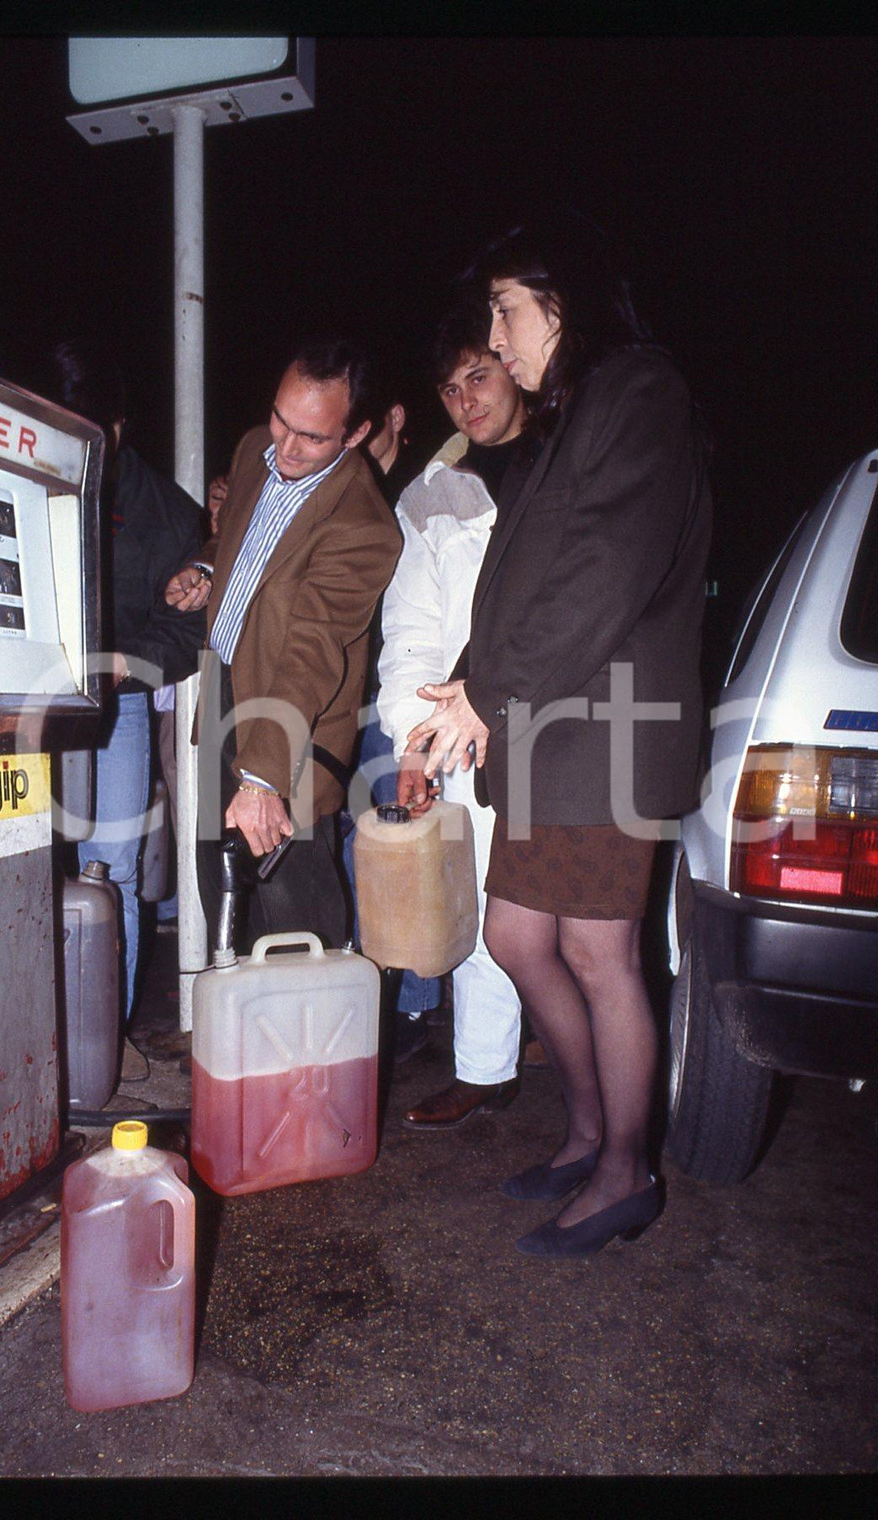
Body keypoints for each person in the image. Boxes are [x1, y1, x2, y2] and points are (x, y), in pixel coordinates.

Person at [405, 213, 712, 1257]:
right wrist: (470, 684)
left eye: (507, 308)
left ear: (561, 302)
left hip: (609, 728)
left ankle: (627, 1170)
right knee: (516, 936)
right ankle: (586, 1134)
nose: (494, 336)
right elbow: (519, 583)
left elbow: (604, 572)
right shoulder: (563, 419)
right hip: (550, 725)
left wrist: (492, 693)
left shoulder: (640, 392)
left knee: (595, 949)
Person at [165, 336, 402, 953]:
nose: (287, 446)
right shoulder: (253, 450)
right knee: (219, 897)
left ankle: (317, 1050)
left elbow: (312, 652)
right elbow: (237, 544)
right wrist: (208, 571)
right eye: (281, 419)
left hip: (291, 725)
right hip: (222, 691)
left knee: (293, 920)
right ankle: (240, 1042)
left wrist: (264, 780)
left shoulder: (365, 525)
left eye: (312, 437)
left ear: (354, 435)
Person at [377, 304, 527, 1122]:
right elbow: (411, 630)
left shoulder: (565, 461)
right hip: (461, 722)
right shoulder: (432, 493)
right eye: (450, 387)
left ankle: (594, 1080)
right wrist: (414, 739)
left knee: (574, 922)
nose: (467, 399)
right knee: (472, 892)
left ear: (513, 363)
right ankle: (484, 1070)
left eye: (480, 375)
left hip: (566, 718)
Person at [41, 338, 207, 1067]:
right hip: (22, 706)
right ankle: (37, 1032)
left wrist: (123, 667)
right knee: (30, 864)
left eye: (91, 432)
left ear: (119, 426)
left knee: (113, 868)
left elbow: (188, 622)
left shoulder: (167, 512)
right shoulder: (20, 473)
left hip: (120, 712)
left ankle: (103, 1040)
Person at [342, 372, 442, 1063]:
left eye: (365, 427)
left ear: (395, 418)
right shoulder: (345, 490)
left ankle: (412, 1005)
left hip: (413, 699)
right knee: (367, 853)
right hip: (359, 697)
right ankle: (379, 987)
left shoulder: (432, 486)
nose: (352, 442)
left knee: (409, 853)